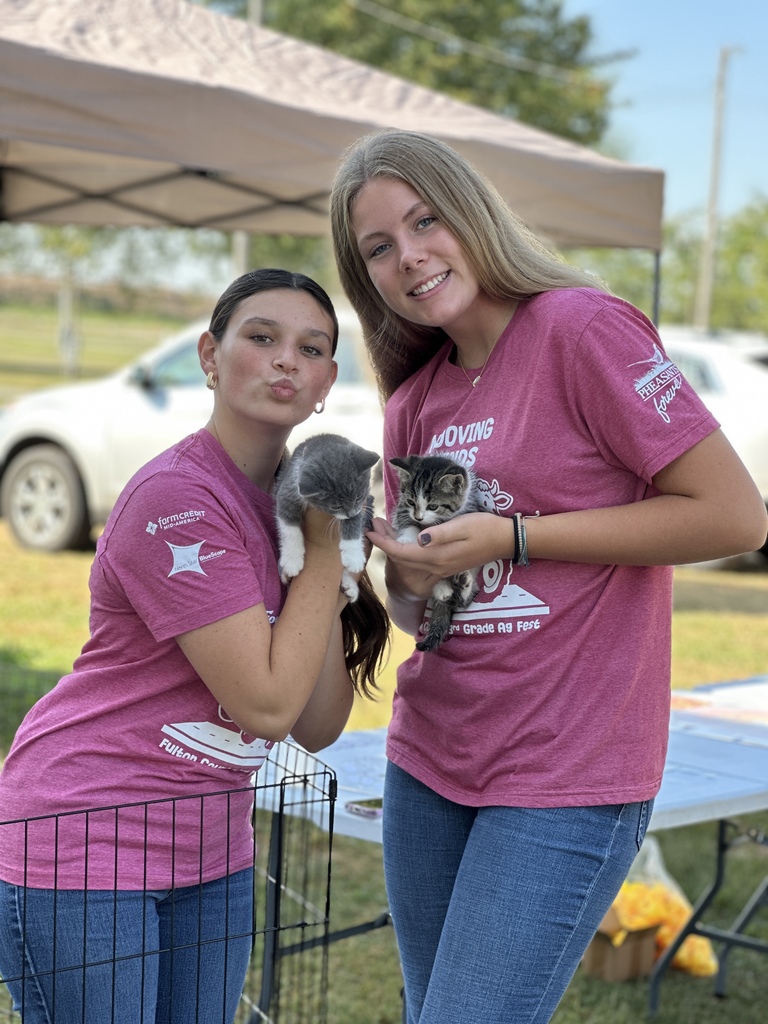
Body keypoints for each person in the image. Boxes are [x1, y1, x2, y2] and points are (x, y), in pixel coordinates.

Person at [330, 128, 768, 1024]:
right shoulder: (414, 399)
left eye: (426, 220)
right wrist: (404, 573)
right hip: (429, 760)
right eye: (379, 247)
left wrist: (514, 538)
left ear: (472, 214)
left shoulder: (581, 328)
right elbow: (429, 619)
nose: (409, 255)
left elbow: (734, 515)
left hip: (566, 774)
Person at [0, 268, 389, 1024]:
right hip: (87, 834)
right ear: (210, 356)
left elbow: (317, 722)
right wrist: (320, 551)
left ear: (325, 383)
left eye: (310, 349)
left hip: (213, 850)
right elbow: (270, 705)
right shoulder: (176, 499)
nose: (285, 360)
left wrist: (333, 559)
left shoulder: (305, 499)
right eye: (261, 337)